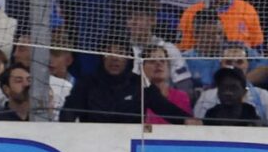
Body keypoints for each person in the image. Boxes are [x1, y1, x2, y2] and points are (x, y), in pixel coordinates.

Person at [60, 42, 192, 123]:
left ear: (128, 58)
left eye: (120, 53)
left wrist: (187, 120)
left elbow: (165, 108)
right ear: (101, 57)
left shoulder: (140, 84)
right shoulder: (86, 83)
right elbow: (69, 112)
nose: (114, 58)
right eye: (109, 53)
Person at [126, 0, 192, 93]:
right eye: (130, 18)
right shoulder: (124, 50)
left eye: (139, 17)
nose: (133, 22)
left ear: (153, 20)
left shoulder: (169, 49)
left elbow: (184, 83)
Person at [194, 45, 268, 122]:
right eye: (228, 62)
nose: (234, 66)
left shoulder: (263, 96)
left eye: (239, 62)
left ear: (247, 65)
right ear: (221, 64)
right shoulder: (206, 97)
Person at [178, 0, 263, 51]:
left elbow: (257, 46)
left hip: (239, 66)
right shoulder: (191, 12)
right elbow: (184, 48)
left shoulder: (248, 10)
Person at [141, 46, 194, 124]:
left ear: (169, 67)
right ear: (143, 68)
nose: (158, 64)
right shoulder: (139, 96)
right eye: (152, 61)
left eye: (162, 61)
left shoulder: (181, 96)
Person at [182, 9, 227, 92]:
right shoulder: (184, 60)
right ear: (196, 34)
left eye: (220, 33)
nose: (217, 40)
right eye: (210, 35)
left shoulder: (229, 57)